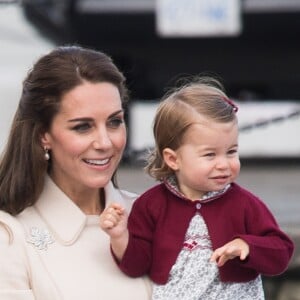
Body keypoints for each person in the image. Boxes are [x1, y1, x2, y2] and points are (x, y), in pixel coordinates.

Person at [100, 76, 294, 300]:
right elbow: (137, 266)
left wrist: (247, 246)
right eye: (210, 154)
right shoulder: (151, 205)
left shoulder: (244, 204)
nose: (224, 163)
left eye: (231, 151)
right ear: (173, 159)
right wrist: (119, 237)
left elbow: (281, 253)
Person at [0, 45, 151, 300]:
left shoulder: (151, 215)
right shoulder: (10, 237)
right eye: (83, 127)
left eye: (115, 122)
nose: (105, 142)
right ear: (43, 135)